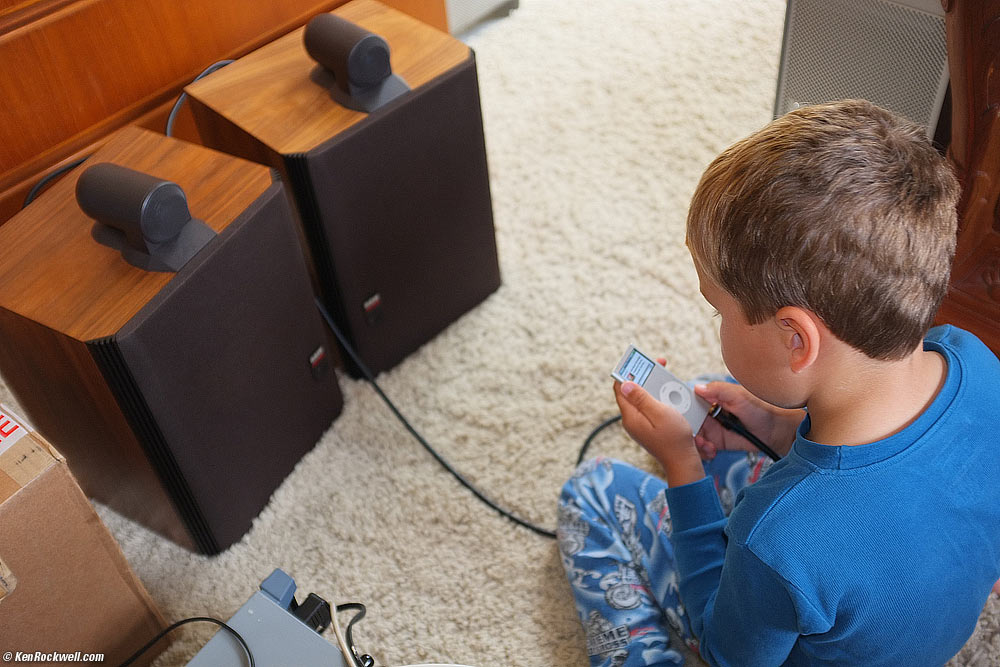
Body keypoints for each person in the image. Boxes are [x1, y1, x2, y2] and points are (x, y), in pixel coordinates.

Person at [557, 99, 1000, 666]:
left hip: (773, 600)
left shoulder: (778, 532)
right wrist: (778, 425)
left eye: (719, 311)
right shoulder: (976, 360)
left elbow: (727, 653)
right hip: (916, 611)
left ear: (796, 340)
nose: (716, 321)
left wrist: (681, 468)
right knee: (718, 399)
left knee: (593, 489)